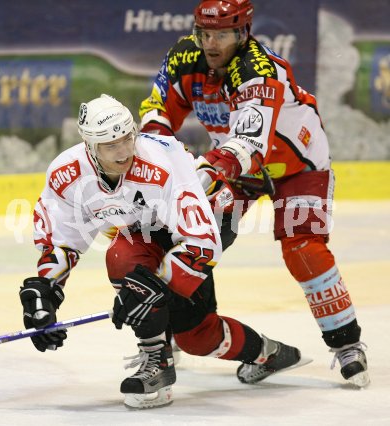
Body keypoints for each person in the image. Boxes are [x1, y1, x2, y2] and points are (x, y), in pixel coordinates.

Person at [18, 93, 304, 409]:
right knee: (123, 257)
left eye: (127, 139)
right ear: (90, 147)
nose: (124, 151)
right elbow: (62, 239)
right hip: (145, 228)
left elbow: (202, 242)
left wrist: (155, 290)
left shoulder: (159, 165)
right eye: (111, 145)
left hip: (211, 217)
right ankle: (158, 362)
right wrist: (46, 293)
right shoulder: (67, 174)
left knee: (197, 337)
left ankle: (268, 352)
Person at [139, 0, 369, 388]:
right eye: (205, 33)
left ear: (243, 33)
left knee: (302, 247)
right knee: (184, 236)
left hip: (297, 164)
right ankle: (168, 333)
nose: (212, 43)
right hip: (236, 168)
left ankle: (347, 345)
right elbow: (156, 115)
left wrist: (201, 173)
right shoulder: (183, 58)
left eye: (223, 34)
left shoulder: (258, 70)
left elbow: (248, 144)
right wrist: (157, 168)